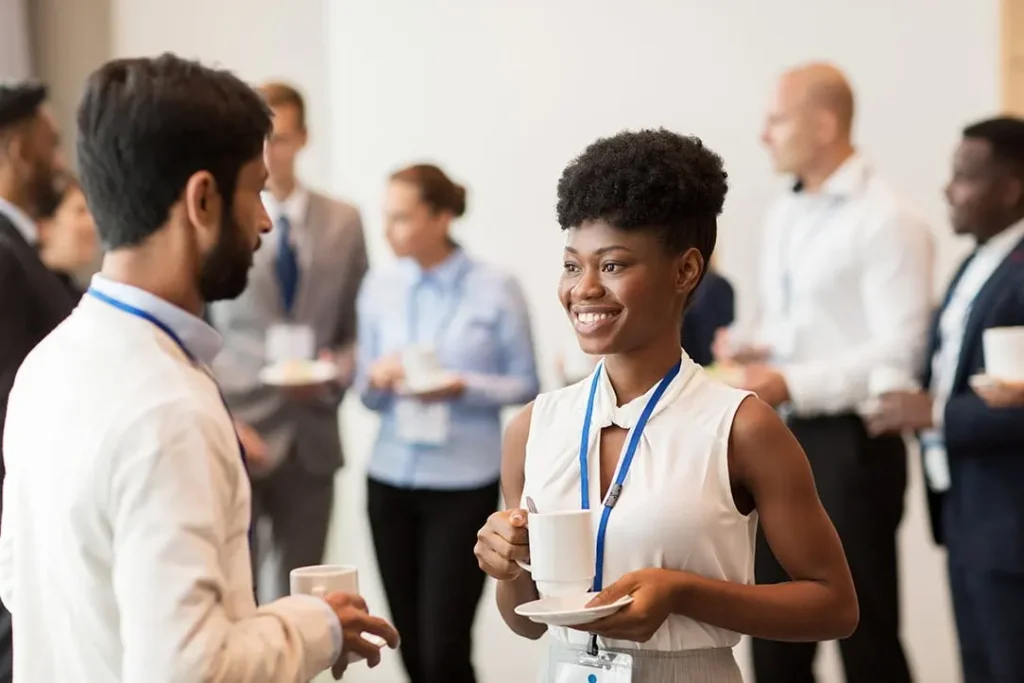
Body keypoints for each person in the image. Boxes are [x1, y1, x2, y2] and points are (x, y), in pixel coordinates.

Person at [0, 54, 398, 683]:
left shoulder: (47, 364)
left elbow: (23, 589)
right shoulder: (169, 409)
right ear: (203, 199)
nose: (266, 219)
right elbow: (189, 670)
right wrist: (317, 625)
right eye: (255, 190)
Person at [474, 128, 858, 683]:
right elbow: (527, 623)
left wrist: (685, 592)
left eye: (612, 266)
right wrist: (505, 566)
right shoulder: (534, 427)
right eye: (572, 265)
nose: (583, 289)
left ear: (685, 271)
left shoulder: (741, 426)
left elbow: (835, 607)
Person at [714, 63, 933, 683]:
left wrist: (791, 381)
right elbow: (800, 325)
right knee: (773, 634)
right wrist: (754, 347)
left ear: (825, 122)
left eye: (776, 119)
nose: (764, 134)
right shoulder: (788, 212)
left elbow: (901, 350)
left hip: (853, 446)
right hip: (782, 439)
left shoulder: (888, 218)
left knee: (864, 636)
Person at [355, 163, 539, 683]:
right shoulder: (378, 285)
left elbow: (525, 383)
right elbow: (365, 392)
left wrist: (462, 385)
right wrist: (377, 377)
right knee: (410, 647)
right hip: (389, 479)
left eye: (402, 217)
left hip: (461, 486)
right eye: (386, 217)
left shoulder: (496, 287)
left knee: (444, 650)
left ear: (440, 217)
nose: (388, 230)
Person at [866, 117, 1024, 683]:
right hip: (964, 513)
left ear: (1010, 187)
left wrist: (934, 412)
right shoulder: (974, 264)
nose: (947, 190)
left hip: (1010, 518)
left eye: (964, 178)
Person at [208, 81, 369, 600]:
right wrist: (220, 417)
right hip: (240, 428)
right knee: (236, 591)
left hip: (312, 432)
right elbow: (200, 325)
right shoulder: (221, 215)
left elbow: (357, 327)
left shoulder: (344, 221)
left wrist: (336, 371)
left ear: (302, 139)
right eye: (261, 139)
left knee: (305, 593)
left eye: (281, 137)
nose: (270, 152)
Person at [0, 79, 70, 683]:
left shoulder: (21, 245)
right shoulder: (2, 251)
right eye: (52, 146)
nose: (61, 162)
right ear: (18, 150)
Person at [36, 172, 99, 299]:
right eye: (80, 211)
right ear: (44, 227)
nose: (92, 223)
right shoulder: (26, 292)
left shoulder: (71, 293)